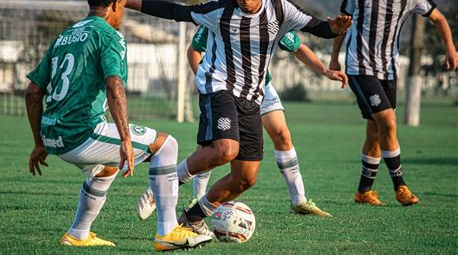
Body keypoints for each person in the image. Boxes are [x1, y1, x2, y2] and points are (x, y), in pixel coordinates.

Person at [126, 0, 351, 235]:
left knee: (246, 178)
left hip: (252, 96)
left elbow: (318, 27)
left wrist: (336, 30)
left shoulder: (280, 8)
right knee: (225, 150)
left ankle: (193, 218)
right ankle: (162, 183)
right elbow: (176, 11)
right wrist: (127, 2)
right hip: (218, 85)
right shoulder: (220, 10)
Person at [25, 0, 211, 251]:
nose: (123, 13)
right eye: (123, 6)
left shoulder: (64, 36)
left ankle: (78, 233)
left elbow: (32, 91)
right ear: (115, 4)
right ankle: (168, 231)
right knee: (166, 145)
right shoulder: (109, 35)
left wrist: (40, 141)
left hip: (53, 137)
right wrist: (125, 138)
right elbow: (114, 85)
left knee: (109, 166)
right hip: (81, 133)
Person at [136, 29, 347, 220]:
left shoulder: (271, 20)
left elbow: (298, 47)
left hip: (259, 89)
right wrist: (206, 82)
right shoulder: (218, 17)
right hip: (223, 90)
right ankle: (188, 196)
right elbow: (194, 50)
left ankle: (299, 201)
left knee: (282, 135)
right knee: (213, 149)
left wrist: (325, 71)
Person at [329, 0, 457, 206]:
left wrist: (451, 49)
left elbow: (439, 18)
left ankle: (364, 191)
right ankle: (401, 186)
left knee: (376, 131)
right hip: (359, 68)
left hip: (388, 70)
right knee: (387, 121)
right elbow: (341, 26)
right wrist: (333, 60)